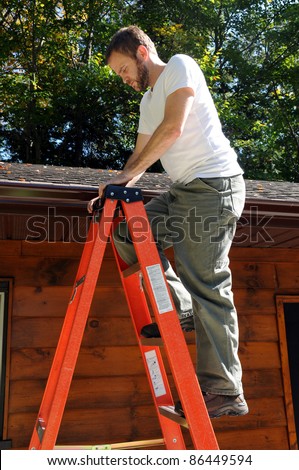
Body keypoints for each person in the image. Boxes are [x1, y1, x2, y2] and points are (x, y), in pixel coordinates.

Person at [87, 25, 248, 419]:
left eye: (123, 69)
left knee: (206, 281)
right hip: (181, 192)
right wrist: (114, 188)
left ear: (142, 52)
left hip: (213, 187)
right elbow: (139, 159)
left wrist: (124, 179)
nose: (123, 79)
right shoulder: (146, 103)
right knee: (127, 230)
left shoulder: (180, 66)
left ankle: (224, 390)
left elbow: (173, 128)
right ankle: (181, 307)